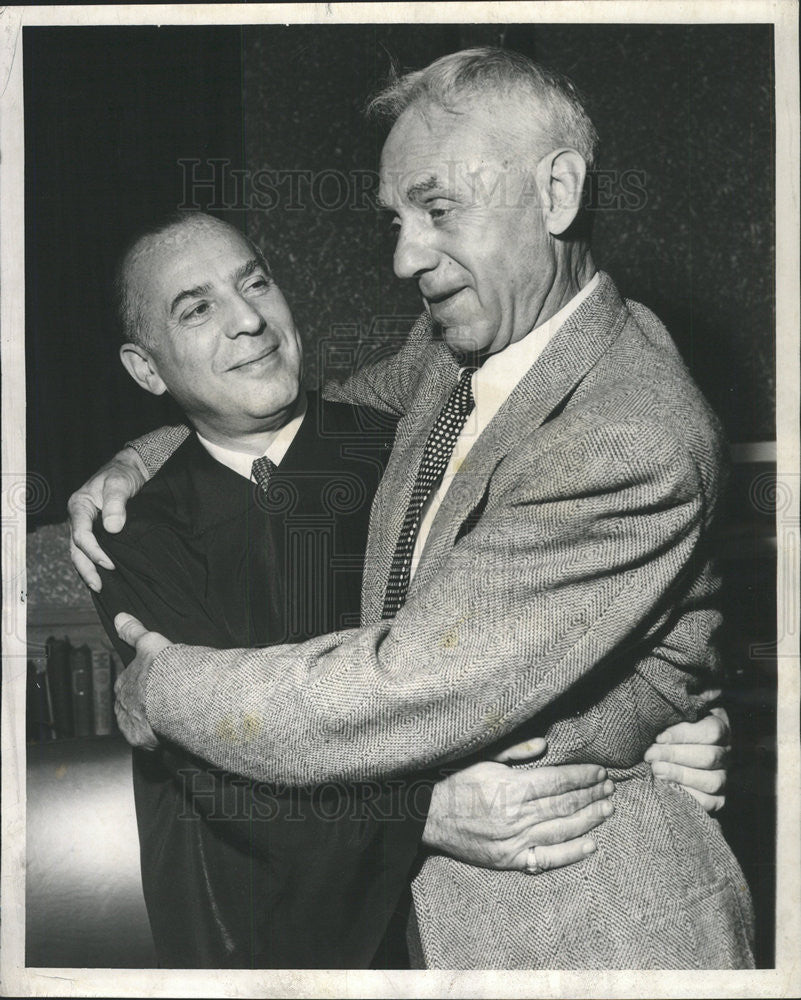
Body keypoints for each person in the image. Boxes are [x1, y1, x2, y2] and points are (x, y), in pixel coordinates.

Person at [69, 49, 749, 968]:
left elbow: (398, 690)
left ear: (557, 193)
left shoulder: (626, 434)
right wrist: (143, 451)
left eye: (437, 210)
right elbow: (317, 406)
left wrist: (156, 686)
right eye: (397, 219)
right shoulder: (458, 351)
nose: (403, 258)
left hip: (589, 926)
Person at [90, 211, 619, 969]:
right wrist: (418, 815)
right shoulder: (132, 534)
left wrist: (653, 727)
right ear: (146, 370)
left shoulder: (401, 449)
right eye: (197, 308)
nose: (249, 321)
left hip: (457, 908)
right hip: (260, 920)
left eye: (256, 283)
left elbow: (523, 641)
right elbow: (212, 758)